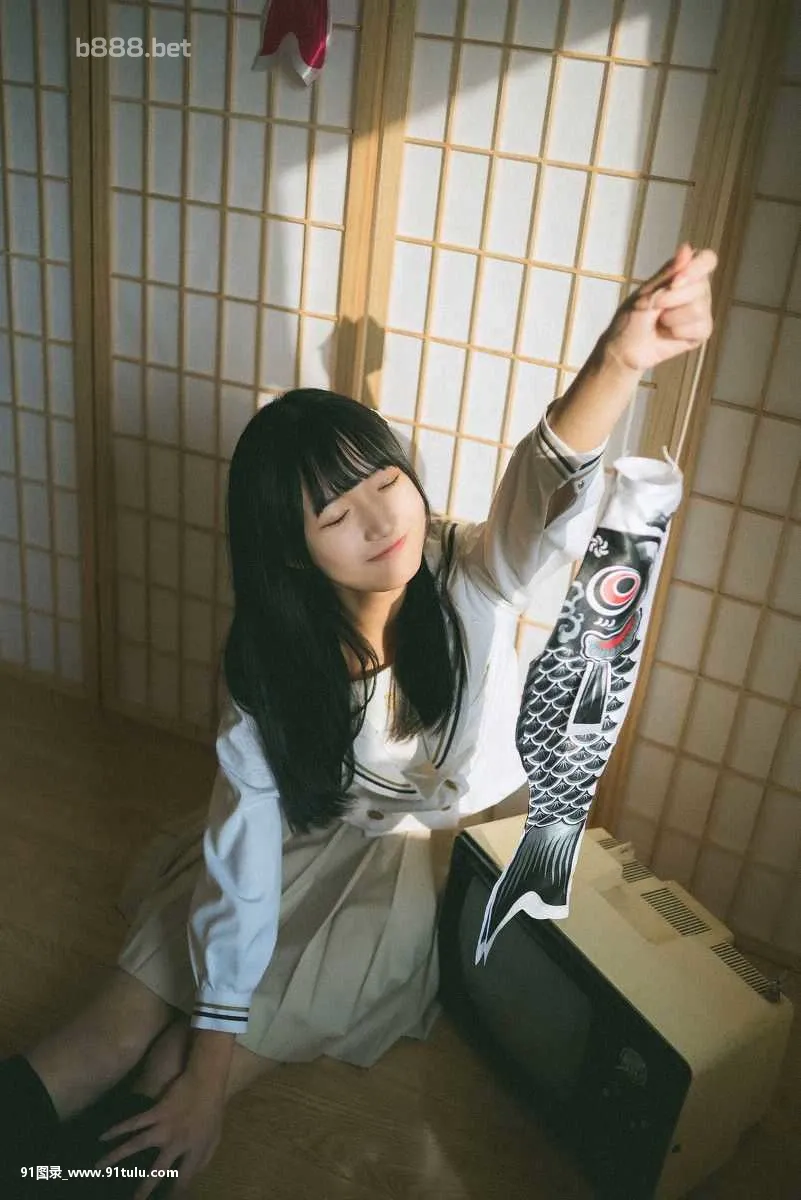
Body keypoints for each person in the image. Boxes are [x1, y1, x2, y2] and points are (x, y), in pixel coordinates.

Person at [0, 244, 716, 1199]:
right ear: (292, 554)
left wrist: (619, 360)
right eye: (335, 514)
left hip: (427, 867)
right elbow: (243, 860)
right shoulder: (268, 666)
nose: (382, 521)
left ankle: (69, 1179)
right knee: (108, 1029)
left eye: (384, 481)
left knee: (178, 1072)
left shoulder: (471, 573)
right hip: (305, 839)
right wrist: (211, 1049)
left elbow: (537, 504)